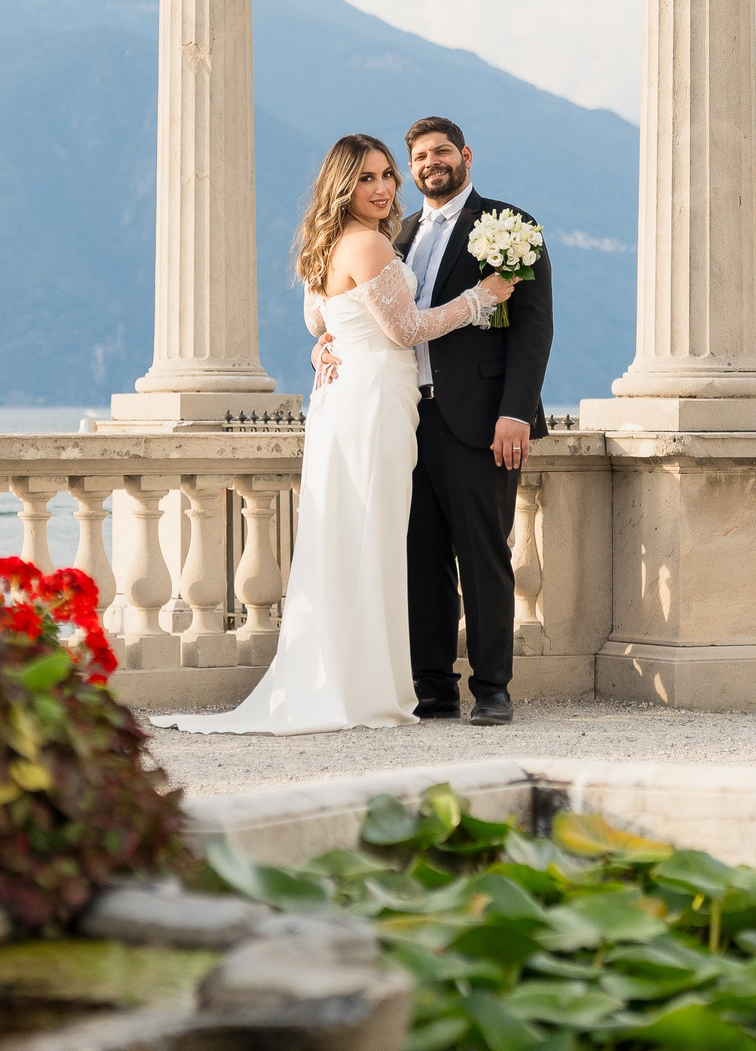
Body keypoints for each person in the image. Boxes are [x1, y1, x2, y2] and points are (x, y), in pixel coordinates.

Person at [152, 134, 515, 735]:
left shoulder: (324, 246)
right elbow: (406, 330)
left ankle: (352, 679)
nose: (381, 189)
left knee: (350, 535)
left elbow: (320, 321)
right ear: (341, 187)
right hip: (373, 399)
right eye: (366, 178)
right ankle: (367, 687)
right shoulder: (371, 243)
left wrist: (328, 346)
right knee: (370, 535)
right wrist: (481, 298)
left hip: (346, 399)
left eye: (386, 177)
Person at [311, 118, 554, 726]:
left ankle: (493, 688)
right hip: (402, 415)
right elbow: (366, 316)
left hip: (479, 419)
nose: (426, 166)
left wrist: (514, 412)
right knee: (418, 559)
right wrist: (325, 346)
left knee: (484, 556)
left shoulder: (510, 227)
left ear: (465, 155)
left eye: (439, 153)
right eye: (415, 158)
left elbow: (534, 328)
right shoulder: (400, 232)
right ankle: (434, 686)